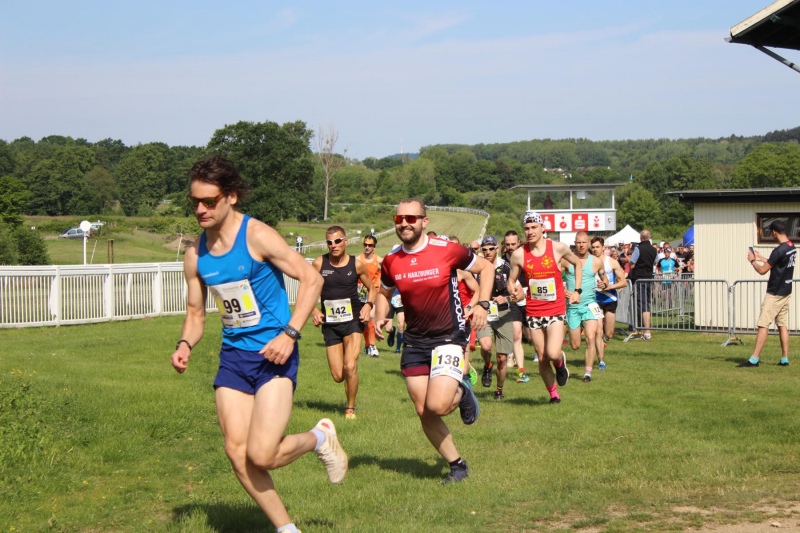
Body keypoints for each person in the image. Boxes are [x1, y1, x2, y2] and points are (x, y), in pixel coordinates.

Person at [170, 156, 346, 533]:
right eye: (194, 202)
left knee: (262, 454)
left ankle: (320, 437)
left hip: (274, 354)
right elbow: (196, 313)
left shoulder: (257, 236)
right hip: (234, 358)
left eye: (209, 201)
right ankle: (287, 529)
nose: (200, 209)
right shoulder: (195, 255)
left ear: (231, 197)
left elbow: (312, 280)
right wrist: (185, 343)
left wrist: (290, 333)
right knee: (237, 452)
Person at [375, 199, 494, 484]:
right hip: (415, 341)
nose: (404, 223)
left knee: (438, 406)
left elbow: (487, 268)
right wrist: (381, 316)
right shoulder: (392, 260)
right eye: (399, 218)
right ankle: (458, 465)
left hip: (448, 337)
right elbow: (383, 292)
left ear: (424, 221)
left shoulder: (447, 249)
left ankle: (463, 391)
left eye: (411, 218)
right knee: (423, 410)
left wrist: (483, 304)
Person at [508, 211, 582, 404]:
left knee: (553, 353)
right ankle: (554, 395)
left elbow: (577, 263)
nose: (530, 231)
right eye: (526, 228)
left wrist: (577, 291)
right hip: (533, 311)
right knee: (542, 357)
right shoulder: (519, 254)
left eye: (534, 227)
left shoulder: (557, 248)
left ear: (543, 228)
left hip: (555, 309)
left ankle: (560, 362)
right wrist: (513, 290)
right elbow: (511, 279)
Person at [312, 227, 377, 420]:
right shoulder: (319, 263)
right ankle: (349, 384)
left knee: (350, 366)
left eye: (337, 241)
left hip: (353, 321)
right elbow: (307, 288)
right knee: (338, 375)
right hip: (331, 324)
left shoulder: (356, 264)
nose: (333, 245)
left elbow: (372, 288)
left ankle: (350, 409)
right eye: (329, 242)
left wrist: (368, 306)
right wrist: (314, 310)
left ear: (346, 241)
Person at [740, 220, 796, 367]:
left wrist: (753, 261)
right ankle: (784, 359)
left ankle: (754, 359)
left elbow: (762, 270)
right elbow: (779, 264)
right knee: (782, 324)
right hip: (786, 291)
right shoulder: (791, 246)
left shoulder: (778, 251)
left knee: (763, 324)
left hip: (775, 293)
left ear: (774, 232)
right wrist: (763, 259)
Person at [561, 232, 607, 382]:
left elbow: (605, 279)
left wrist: (604, 284)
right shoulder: (567, 260)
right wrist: (563, 291)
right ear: (575, 243)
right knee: (575, 345)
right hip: (573, 307)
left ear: (588, 243)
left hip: (590, 305)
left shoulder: (596, 261)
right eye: (578, 242)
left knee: (591, 337)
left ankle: (588, 373)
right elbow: (554, 278)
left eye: (584, 242)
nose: (581, 245)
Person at [475, 235, 516, 401]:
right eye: (484, 249)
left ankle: (499, 389)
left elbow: (519, 293)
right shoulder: (476, 266)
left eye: (491, 249)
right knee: (486, 346)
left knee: (502, 358)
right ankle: (487, 365)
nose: (487, 252)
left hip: (503, 313)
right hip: (483, 311)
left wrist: (506, 298)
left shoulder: (506, 267)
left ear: (497, 249)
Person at [503, 230, 534, 377]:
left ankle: (548, 355)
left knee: (532, 336)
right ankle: (521, 369)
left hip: (530, 297)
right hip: (513, 299)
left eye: (513, 244)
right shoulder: (502, 261)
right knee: (516, 334)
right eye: (507, 244)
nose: (510, 247)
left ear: (519, 243)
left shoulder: (527, 257)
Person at [590, 237, 628, 343]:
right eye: (593, 247)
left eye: (597, 247)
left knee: (609, 333)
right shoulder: (589, 262)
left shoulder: (612, 262)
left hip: (610, 299)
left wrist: (609, 286)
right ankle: (599, 344)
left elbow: (623, 282)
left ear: (603, 247)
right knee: (598, 330)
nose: (595, 249)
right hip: (595, 299)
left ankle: (603, 340)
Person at [628, 230, 658, 340]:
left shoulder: (638, 248)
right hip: (649, 278)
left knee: (643, 304)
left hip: (639, 279)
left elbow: (632, 263)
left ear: (641, 238)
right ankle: (642, 328)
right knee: (646, 303)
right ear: (649, 238)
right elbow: (655, 261)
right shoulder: (654, 250)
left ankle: (646, 331)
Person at [358, 234, 383, 357]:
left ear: (374, 247)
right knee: (364, 319)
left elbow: (390, 268)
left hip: (374, 291)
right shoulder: (358, 259)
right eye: (365, 245)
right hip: (361, 291)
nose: (367, 247)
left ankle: (373, 345)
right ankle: (367, 345)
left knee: (372, 316)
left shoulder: (379, 260)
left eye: (370, 245)